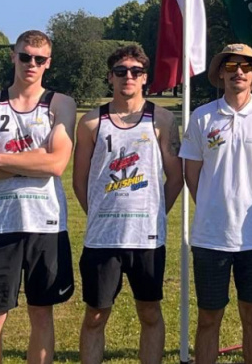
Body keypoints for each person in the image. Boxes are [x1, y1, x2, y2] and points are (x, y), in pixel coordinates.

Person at [0, 30, 77, 364]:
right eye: (25, 56)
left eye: (39, 59)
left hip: (47, 225)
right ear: (13, 56)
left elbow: (56, 165)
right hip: (1, 225)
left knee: (41, 313)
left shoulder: (60, 104)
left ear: (48, 63)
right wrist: (34, 160)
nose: (31, 64)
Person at [180, 43, 252, 364]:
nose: (238, 72)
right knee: (208, 317)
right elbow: (191, 173)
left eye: (245, 66)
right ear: (220, 73)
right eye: (231, 66)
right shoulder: (202, 117)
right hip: (210, 238)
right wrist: (211, 206)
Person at [72, 45, 184, 364]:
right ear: (110, 77)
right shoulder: (91, 122)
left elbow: (175, 177)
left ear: (145, 77)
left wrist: (156, 215)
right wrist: (99, 215)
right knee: (95, 315)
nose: (128, 77)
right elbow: (79, 181)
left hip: (146, 239)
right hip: (102, 238)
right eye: (121, 71)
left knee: (149, 312)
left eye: (136, 71)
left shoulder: (162, 119)